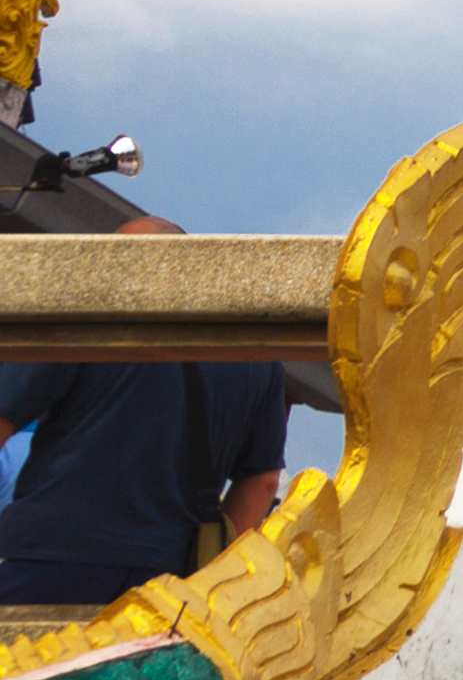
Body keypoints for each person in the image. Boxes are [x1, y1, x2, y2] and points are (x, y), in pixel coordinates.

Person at [0, 221, 291, 608]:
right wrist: (210, 581)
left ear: (127, 263)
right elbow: (263, 481)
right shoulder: (257, 357)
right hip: (168, 580)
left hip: (51, 554)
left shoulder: (87, 321)